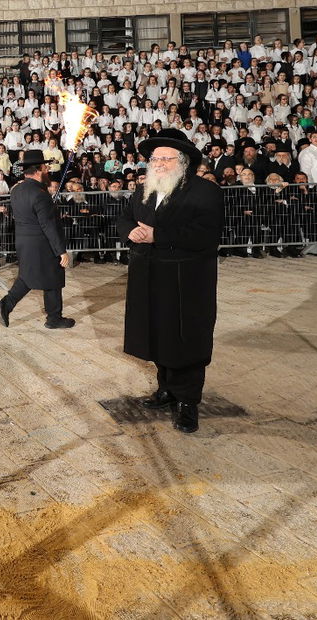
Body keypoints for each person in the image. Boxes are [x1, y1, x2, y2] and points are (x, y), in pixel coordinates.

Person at [115, 129, 223, 434]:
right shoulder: (144, 190)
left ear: (183, 162)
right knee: (157, 333)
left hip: (185, 280)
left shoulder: (206, 192)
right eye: (154, 158)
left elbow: (206, 235)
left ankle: (188, 402)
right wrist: (130, 233)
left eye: (165, 158)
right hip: (148, 275)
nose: (158, 163)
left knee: (185, 338)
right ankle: (166, 390)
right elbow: (124, 218)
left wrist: (157, 235)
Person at [0, 150, 73, 329]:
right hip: (42, 243)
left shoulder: (17, 190)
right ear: (38, 170)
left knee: (27, 277)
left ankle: (6, 305)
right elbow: (48, 225)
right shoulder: (40, 194)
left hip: (24, 242)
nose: (47, 170)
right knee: (53, 277)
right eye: (45, 168)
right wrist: (61, 251)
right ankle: (54, 318)